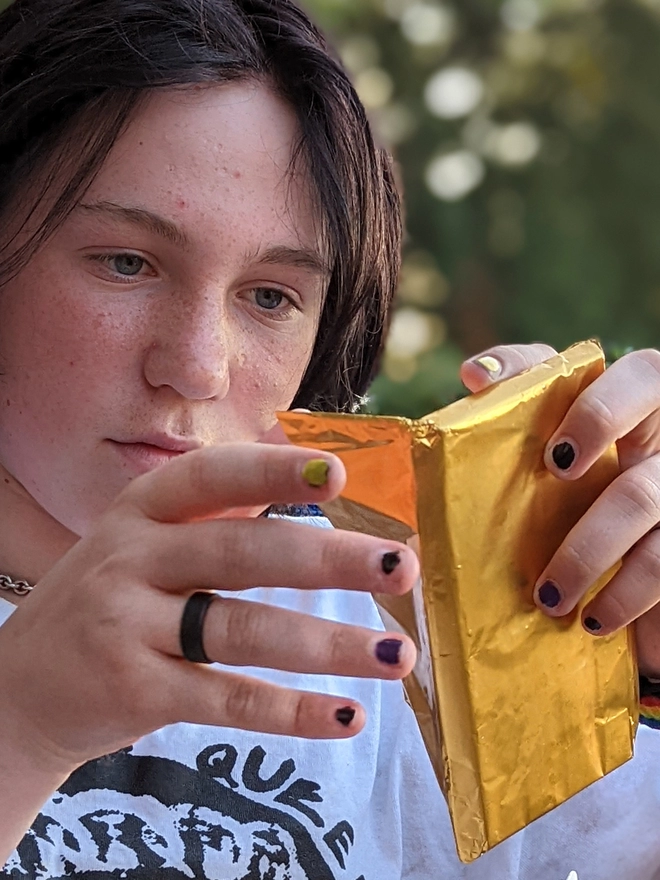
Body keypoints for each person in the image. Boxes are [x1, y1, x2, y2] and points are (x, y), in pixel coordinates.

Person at [0, 0, 660, 877]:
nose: (197, 367)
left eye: (271, 296)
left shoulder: (413, 619)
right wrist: (22, 726)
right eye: (126, 261)